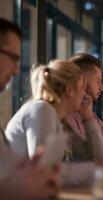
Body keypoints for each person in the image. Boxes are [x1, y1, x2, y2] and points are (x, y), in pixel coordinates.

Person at [0, 17, 58, 199]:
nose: (17, 71)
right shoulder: (41, 110)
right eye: (13, 59)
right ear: (70, 90)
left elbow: (9, 170)